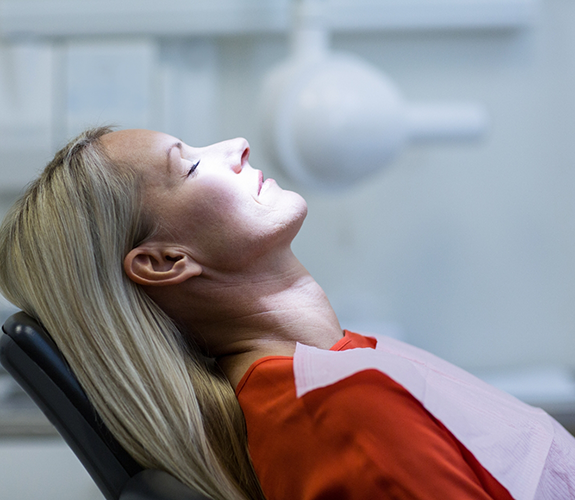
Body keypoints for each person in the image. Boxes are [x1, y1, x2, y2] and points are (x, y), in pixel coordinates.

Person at [0, 127, 572, 500]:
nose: (238, 144)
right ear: (165, 260)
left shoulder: (331, 376)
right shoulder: (336, 414)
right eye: (192, 166)